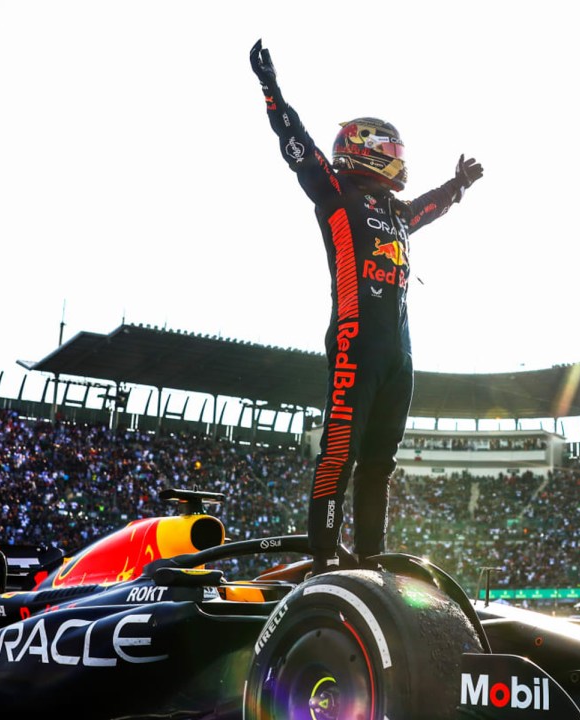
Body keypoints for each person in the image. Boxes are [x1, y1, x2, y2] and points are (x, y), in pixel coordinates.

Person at [249, 40, 483, 575]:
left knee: (380, 463)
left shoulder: (398, 213)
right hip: (355, 342)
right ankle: (324, 554)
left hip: (399, 356)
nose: (399, 160)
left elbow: (432, 205)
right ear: (364, 149)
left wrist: (459, 184)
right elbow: (297, 143)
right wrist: (270, 89)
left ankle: (372, 557)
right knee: (341, 453)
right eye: (392, 150)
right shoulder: (335, 192)